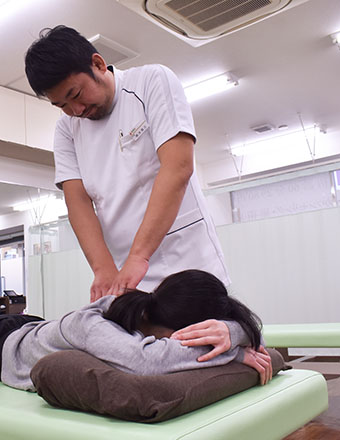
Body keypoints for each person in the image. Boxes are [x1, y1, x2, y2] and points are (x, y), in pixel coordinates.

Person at [25, 26, 230, 302]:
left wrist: (139, 256)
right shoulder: (66, 130)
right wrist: (103, 269)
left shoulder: (151, 81)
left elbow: (178, 167)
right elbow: (78, 203)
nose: (76, 111)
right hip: (128, 279)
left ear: (97, 64)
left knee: (207, 340)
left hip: (189, 264)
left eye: (75, 95)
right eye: (61, 104)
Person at [0, 270, 273, 392]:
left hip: (32, 329)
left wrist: (233, 332)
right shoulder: (97, 328)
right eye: (192, 336)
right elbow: (147, 362)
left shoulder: (146, 315)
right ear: (164, 324)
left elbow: (253, 329)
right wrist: (237, 351)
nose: (195, 344)